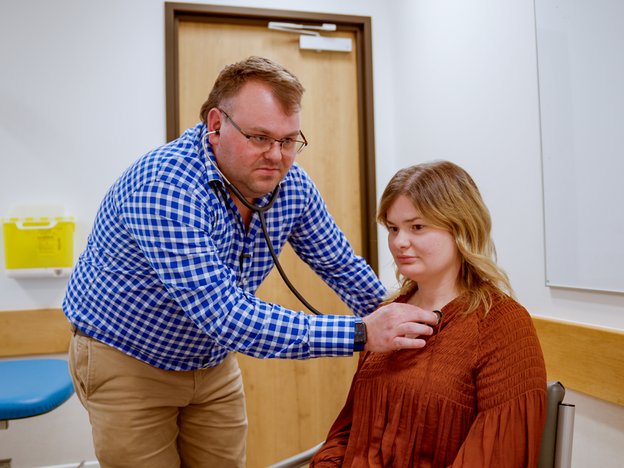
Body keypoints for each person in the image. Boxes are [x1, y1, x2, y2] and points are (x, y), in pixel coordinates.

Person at [62, 56, 439, 468]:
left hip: (211, 361)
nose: (276, 156)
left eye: (288, 140)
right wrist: (361, 333)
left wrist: (408, 323)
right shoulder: (166, 187)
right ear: (216, 125)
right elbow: (224, 314)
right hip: (129, 357)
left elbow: (340, 265)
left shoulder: (291, 185)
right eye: (259, 137)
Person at [310, 161, 548, 467]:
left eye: (417, 227)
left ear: (460, 227)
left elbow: (495, 456)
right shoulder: (386, 316)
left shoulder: (501, 324)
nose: (399, 242)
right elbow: (347, 432)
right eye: (393, 228)